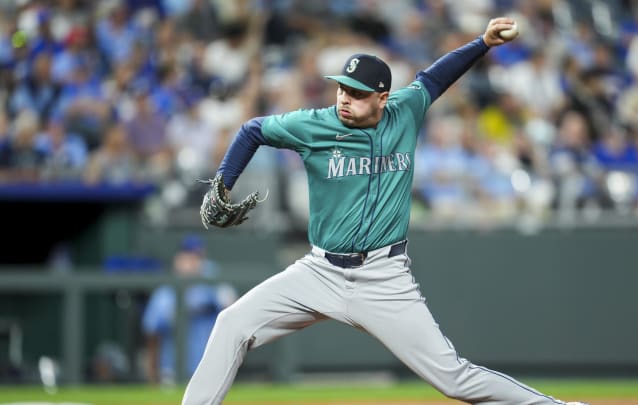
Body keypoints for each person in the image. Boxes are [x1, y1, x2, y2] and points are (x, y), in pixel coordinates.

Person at [183, 18, 588, 405]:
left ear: (382, 98)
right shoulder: (315, 125)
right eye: (342, 88)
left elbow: (436, 76)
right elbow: (252, 130)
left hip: (383, 276)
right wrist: (222, 183)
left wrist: (482, 44)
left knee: (452, 377)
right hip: (319, 271)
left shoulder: (405, 111)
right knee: (231, 324)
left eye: (357, 93)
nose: (345, 98)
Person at [142, 234, 236, 385]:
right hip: (171, 371)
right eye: (188, 256)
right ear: (177, 259)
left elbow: (233, 308)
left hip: (209, 370)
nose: (192, 262)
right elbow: (152, 334)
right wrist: (152, 371)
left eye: (197, 257)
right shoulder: (165, 294)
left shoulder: (213, 285)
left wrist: (210, 275)